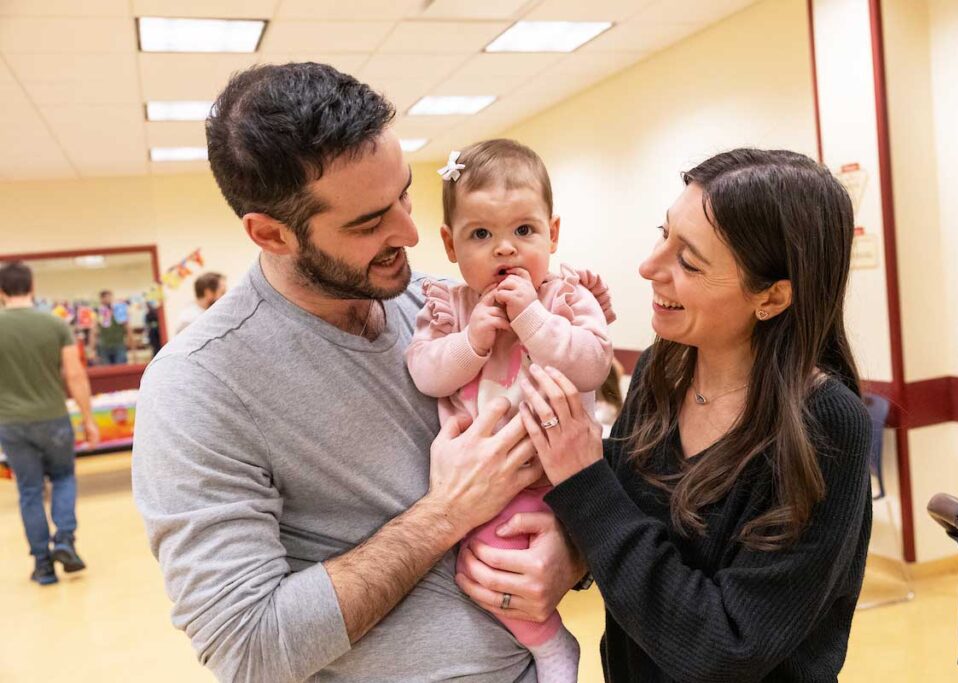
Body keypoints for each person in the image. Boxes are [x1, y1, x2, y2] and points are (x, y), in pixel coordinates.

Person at [131, 63, 584, 682]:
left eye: (403, 194)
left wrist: (573, 553)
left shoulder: (445, 308)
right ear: (271, 234)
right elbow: (248, 648)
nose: (411, 233)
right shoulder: (199, 384)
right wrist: (445, 513)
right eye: (370, 222)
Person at [460, 148, 873, 681]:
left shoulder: (825, 424)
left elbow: (727, 648)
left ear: (771, 297)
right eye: (664, 234)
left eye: (689, 262)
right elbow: (627, 526)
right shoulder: (666, 368)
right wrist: (571, 553)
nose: (649, 267)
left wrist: (584, 480)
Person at [406, 139, 614, 682]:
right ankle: (547, 641)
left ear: (553, 233)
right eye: (481, 234)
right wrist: (471, 341)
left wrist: (533, 321)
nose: (505, 250)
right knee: (486, 563)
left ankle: (550, 645)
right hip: (485, 481)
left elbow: (593, 365)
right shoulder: (449, 308)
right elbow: (425, 373)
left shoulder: (566, 299)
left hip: (562, 474)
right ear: (450, 244)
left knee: (515, 560)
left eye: (524, 230)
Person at [0, 261, 100, 585]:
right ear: (32, 287)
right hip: (53, 417)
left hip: (11, 423)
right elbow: (75, 374)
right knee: (63, 477)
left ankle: (43, 566)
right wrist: (88, 419)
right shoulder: (54, 324)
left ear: (1, 292)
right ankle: (65, 540)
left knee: (29, 491)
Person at [92, 289, 133, 364]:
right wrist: (93, 349)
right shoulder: (99, 313)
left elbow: (128, 328)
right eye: (104, 297)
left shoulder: (119, 311)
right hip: (104, 346)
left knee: (120, 368)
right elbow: (93, 331)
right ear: (101, 299)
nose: (107, 299)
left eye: (109, 297)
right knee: (106, 369)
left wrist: (133, 347)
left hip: (119, 345)